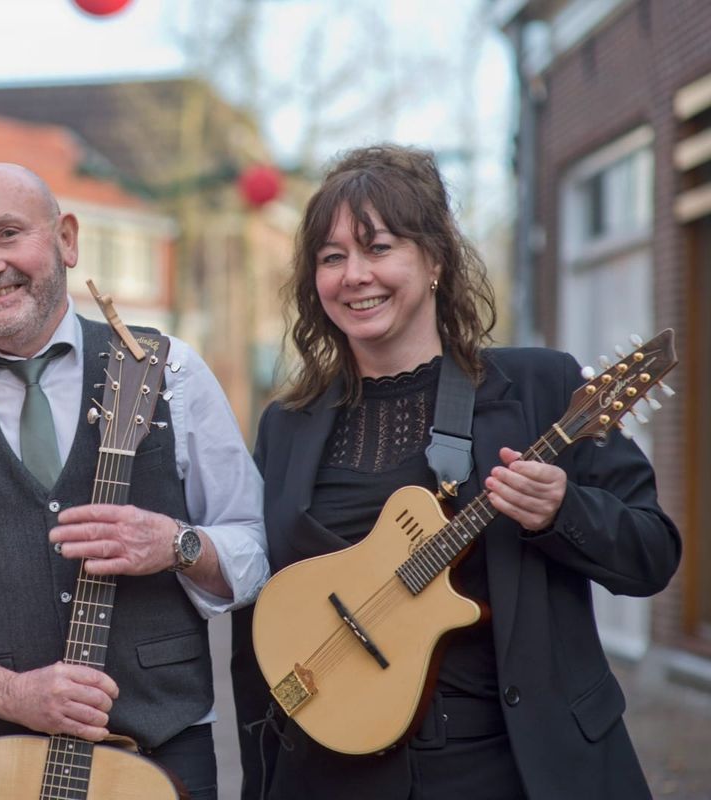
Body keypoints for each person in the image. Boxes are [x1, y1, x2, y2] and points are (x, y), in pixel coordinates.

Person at [230, 144, 681, 800]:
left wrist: (563, 512)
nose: (355, 275)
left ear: (435, 260)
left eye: (379, 247)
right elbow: (261, 612)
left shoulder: (541, 389)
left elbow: (652, 555)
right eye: (333, 257)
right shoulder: (287, 425)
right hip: (328, 773)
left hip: (503, 767)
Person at [0, 162, 269, 800]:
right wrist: (13, 694)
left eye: (9, 233)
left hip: (164, 755)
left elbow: (253, 552)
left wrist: (177, 545)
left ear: (66, 239)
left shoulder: (171, 370)